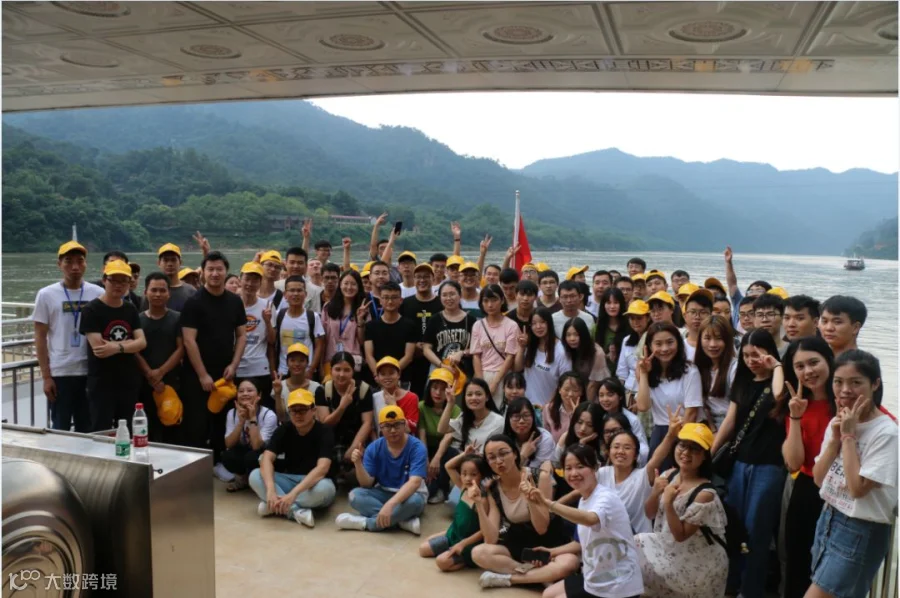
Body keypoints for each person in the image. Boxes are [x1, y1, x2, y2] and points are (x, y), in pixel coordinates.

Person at [808, 350, 897, 598]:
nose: (845, 390)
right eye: (838, 382)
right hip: (829, 517)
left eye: (856, 382)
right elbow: (818, 478)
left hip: (860, 527)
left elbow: (857, 489)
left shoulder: (886, 433)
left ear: (875, 384)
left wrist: (848, 437)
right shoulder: (838, 421)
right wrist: (835, 439)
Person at [711, 329, 786, 598]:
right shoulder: (742, 383)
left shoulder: (781, 383)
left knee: (757, 531)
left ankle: (751, 590)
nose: (751, 361)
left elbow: (779, 394)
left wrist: (776, 366)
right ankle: (730, 585)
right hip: (739, 464)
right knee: (734, 527)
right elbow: (730, 421)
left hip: (768, 466)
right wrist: (710, 453)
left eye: (757, 354)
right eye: (746, 355)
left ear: (770, 353)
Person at [634, 423, 728, 598]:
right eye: (682, 445)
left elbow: (681, 535)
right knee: (636, 543)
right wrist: (655, 492)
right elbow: (649, 513)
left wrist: (668, 503)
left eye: (695, 449)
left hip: (698, 565)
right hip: (671, 551)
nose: (686, 452)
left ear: (704, 456)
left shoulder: (705, 494)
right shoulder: (668, 475)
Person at [540, 443, 645, 598]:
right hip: (595, 576)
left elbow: (591, 519)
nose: (574, 473)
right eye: (568, 468)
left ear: (595, 467)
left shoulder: (605, 497)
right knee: (547, 594)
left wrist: (549, 504)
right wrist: (551, 552)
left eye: (580, 466)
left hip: (618, 582)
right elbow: (581, 542)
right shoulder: (584, 499)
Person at [472, 435, 571, 589]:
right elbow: (490, 539)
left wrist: (529, 499)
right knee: (479, 552)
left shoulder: (540, 477)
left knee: (568, 563)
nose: (498, 461)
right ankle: (538, 575)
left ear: (515, 454)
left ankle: (514, 578)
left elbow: (542, 528)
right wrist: (479, 504)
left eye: (503, 453)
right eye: (491, 457)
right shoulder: (493, 488)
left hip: (549, 543)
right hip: (520, 547)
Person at [780, 337, 836, 598]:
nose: (808, 371)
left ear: (829, 361)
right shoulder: (797, 404)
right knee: (799, 564)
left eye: (814, 362)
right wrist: (795, 417)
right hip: (806, 491)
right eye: (800, 366)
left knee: (833, 570)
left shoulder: (848, 400)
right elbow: (793, 462)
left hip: (839, 493)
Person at [180, 251, 247, 454]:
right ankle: (196, 463)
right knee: (197, 423)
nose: (215, 273)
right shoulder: (194, 302)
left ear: (226, 271)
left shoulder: (235, 301)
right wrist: (202, 374)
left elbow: (241, 336)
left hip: (225, 373)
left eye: (219, 269)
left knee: (223, 421)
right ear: (203, 272)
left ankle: (220, 462)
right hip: (196, 374)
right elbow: (189, 340)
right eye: (210, 269)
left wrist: (234, 365)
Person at [33, 241, 105, 432]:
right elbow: (40, 337)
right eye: (68, 261)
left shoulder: (98, 293)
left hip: (90, 372)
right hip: (60, 373)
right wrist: (46, 377)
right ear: (59, 264)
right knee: (60, 429)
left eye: (80, 261)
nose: (75, 267)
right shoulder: (46, 295)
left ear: (86, 264)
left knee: (89, 429)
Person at [250, 388, 336, 527]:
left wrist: (293, 494)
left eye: (303, 410)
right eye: (293, 410)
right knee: (255, 475)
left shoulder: (325, 431)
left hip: (315, 483)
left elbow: (322, 468)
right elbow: (266, 458)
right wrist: (271, 490)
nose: (298, 415)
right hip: (289, 479)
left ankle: (274, 506)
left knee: (325, 490)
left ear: (313, 410)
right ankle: (295, 511)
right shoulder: (284, 429)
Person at [335, 405, 428, 535]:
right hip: (383, 491)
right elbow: (366, 484)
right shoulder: (374, 448)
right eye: (387, 426)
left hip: (411, 494)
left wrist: (390, 505)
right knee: (355, 495)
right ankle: (400, 521)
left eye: (397, 425)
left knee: (415, 502)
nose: (393, 430)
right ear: (381, 428)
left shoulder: (417, 447)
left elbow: (415, 483)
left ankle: (366, 523)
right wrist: (358, 464)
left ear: (405, 424)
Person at [79, 259, 147, 432]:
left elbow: (142, 342)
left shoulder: (130, 309)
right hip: (102, 383)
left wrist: (116, 347)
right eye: (113, 280)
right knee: (101, 431)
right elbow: (100, 349)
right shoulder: (91, 310)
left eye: (123, 281)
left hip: (128, 381)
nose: (118, 285)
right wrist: (129, 343)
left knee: (128, 430)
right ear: (104, 280)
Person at [591, 407, 682, 536]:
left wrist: (670, 435)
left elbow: (657, 458)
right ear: (608, 451)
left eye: (627, 448)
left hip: (638, 541)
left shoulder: (642, 476)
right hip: (607, 540)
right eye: (616, 447)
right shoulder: (602, 473)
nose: (620, 451)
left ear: (635, 455)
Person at [635, 322, 702, 463]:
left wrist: (679, 441)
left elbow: (691, 413)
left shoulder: (690, 371)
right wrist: (644, 373)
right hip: (660, 432)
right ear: (649, 347)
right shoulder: (648, 371)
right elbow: (643, 406)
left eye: (670, 342)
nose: (665, 349)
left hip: (684, 432)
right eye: (658, 344)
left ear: (678, 343)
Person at [419, 449, 489, 571]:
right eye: (464, 474)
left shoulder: (482, 500)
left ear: (481, 475)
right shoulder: (463, 487)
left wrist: (463, 544)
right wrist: (465, 454)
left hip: (469, 543)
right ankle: (447, 537)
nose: (468, 478)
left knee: (441, 562)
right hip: (454, 534)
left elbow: (483, 531)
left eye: (473, 474)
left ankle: (468, 561)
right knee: (423, 549)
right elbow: (448, 466)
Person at [135, 272, 184, 443]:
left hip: (171, 381)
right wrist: (149, 374)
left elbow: (181, 348)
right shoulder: (137, 319)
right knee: (145, 428)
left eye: (162, 290)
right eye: (153, 290)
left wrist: (160, 372)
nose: (158, 294)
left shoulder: (177, 318)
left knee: (171, 426)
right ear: (145, 292)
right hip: (144, 382)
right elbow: (135, 351)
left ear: (169, 293)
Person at [315, 352, 374, 484]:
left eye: (347, 370)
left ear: (353, 371)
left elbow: (367, 422)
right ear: (331, 370)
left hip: (357, 438)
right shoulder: (322, 391)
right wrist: (342, 406)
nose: (341, 374)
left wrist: (354, 447)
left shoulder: (363, 390)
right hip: (332, 439)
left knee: (363, 470)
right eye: (337, 369)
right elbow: (325, 423)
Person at [222, 379, 278, 492]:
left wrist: (252, 418)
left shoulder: (268, 415)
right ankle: (242, 480)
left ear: (259, 395)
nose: (245, 394)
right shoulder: (232, 413)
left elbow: (257, 446)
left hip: (264, 453)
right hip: (244, 450)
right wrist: (241, 422)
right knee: (227, 456)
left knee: (251, 457)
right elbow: (228, 444)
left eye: (249, 390)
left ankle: (259, 481)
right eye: (241, 391)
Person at [470, 284, 518, 409]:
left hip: (504, 376)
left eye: (494, 300)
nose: (490, 305)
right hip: (483, 373)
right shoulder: (478, 325)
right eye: (486, 301)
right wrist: (481, 383)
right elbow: (476, 355)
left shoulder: (511, 326)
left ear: (502, 300)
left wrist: (495, 383)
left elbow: (510, 357)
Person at [235, 262, 275, 409]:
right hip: (236, 368)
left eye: (255, 280)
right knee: (238, 410)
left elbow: (272, 340)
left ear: (260, 282)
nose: (250, 284)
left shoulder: (267, 306)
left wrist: (268, 322)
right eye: (247, 279)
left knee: (261, 409)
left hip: (259, 368)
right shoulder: (232, 304)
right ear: (240, 279)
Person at [514, 308, 572, 408]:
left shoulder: (561, 351)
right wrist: (522, 348)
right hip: (527, 406)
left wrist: (548, 406)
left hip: (548, 407)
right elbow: (517, 368)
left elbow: (565, 383)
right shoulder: (529, 345)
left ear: (549, 323)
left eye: (542, 322)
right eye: (534, 323)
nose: (538, 327)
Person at [419, 368, 461, 503]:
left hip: (444, 450)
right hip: (426, 449)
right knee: (427, 488)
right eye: (435, 387)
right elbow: (421, 435)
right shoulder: (421, 407)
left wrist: (436, 458)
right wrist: (425, 459)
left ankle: (443, 489)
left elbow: (448, 437)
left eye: (443, 389)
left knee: (451, 453)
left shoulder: (455, 409)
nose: (438, 392)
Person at [399, 263, 442, 397]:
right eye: (418, 277)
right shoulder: (405, 303)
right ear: (413, 279)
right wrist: (413, 345)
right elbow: (400, 330)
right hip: (412, 360)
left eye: (426, 277)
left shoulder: (441, 303)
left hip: (436, 359)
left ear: (433, 279)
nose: (422, 280)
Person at [690, 315, 738, 431]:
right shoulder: (698, 367)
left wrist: (716, 438)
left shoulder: (735, 368)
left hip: (731, 425)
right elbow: (703, 408)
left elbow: (735, 414)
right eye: (707, 338)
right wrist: (712, 429)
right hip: (707, 425)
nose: (712, 344)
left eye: (718, 338)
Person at [364, 281, 417, 383]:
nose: (390, 301)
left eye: (394, 297)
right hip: (377, 380)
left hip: (401, 379)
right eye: (386, 297)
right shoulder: (371, 326)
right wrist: (379, 375)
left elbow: (408, 357)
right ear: (380, 300)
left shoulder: (409, 325)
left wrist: (392, 376)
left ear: (400, 300)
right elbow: (369, 356)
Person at [274, 276, 325, 379]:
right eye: (292, 290)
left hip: (306, 373)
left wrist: (311, 370)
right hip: (283, 372)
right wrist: (273, 370)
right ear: (285, 294)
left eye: (299, 290)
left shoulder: (313, 317)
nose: (296, 294)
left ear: (305, 294)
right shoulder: (278, 315)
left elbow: (319, 345)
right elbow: (271, 344)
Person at [423, 280, 477, 379]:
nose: (448, 298)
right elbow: (426, 349)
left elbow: (476, 348)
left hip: (464, 373)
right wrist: (441, 365)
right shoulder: (434, 320)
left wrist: (461, 353)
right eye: (444, 295)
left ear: (460, 295)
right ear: (440, 298)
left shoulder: (471, 320)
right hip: (439, 372)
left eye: (452, 294)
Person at [321, 269, 367, 378]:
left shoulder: (363, 309)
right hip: (330, 360)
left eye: (353, 284)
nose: (349, 287)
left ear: (358, 287)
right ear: (340, 285)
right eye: (346, 283)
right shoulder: (328, 307)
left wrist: (360, 320)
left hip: (353, 362)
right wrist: (321, 365)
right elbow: (323, 339)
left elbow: (362, 342)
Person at [596, 377, 649, 465]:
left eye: (610, 395)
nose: (605, 399)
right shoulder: (598, 416)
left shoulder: (632, 419)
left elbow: (643, 449)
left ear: (620, 396)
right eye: (601, 395)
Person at [272, 343, 325, 422]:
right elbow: (281, 417)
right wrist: (278, 394)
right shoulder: (280, 386)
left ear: (307, 363)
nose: (297, 364)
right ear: (287, 363)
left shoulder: (317, 387)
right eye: (292, 360)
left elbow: (319, 418)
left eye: (301, 360)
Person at [562, 316, 609, 401]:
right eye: (568, 335)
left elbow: (593, 385)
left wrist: (586, 406)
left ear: (583, 335)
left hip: (596, 397)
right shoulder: (567, 350)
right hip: (576, 393)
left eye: (576, 334)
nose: (572, 339)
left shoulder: (597, 353)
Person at [503, 398, 556, 471]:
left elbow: (537, 473)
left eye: (526, 415)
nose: (521, 421)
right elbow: (504, 472)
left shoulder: (544, 439)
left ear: (533, 417)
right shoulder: (503, 441)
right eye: (516, 416)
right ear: (508, 419)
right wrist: (523, 455)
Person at [372, 356, 420, 436]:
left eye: (391, 373)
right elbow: (374, 428)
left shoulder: (411, 398)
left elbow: (409, 429)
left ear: (399, 374)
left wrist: (394, 406)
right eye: (383, 374)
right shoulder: (375, 397)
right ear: (378, 377)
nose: (387, 377)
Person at [616, 300, 651, 401]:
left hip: (647, 393)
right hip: (628, 392)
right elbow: (622, 372)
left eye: (639, 318)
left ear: (648, 318)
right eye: (632, 318)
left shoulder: (654, 340)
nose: (635, 322)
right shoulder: (626, 340)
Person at [593, 287, 631, 371]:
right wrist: (606, 356)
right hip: (602, 372)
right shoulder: (596, 327)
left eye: (616, 302)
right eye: (608, 303)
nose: (612, 306)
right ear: (603, 305)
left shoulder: (629, 325)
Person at [544, 372, 586, 443]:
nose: (570, 394)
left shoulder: (587, 410)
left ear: (582, 392)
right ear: (559, 390)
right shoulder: (548, 409)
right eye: (566, 390)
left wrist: (577, 415)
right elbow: (546, 436)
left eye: (575, 390)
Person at [682, 288, 714, 362]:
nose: (697, 317)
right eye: (693, 312)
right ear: (685, 316)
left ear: (711, 315)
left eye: (703, 312)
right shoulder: (679, 347)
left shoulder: (718, 345)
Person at [753, 292, 788, 357]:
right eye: (760, 315)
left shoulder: (791, 351)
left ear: (782, 317)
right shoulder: (747, 350)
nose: (764, 320)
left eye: (771, 314)